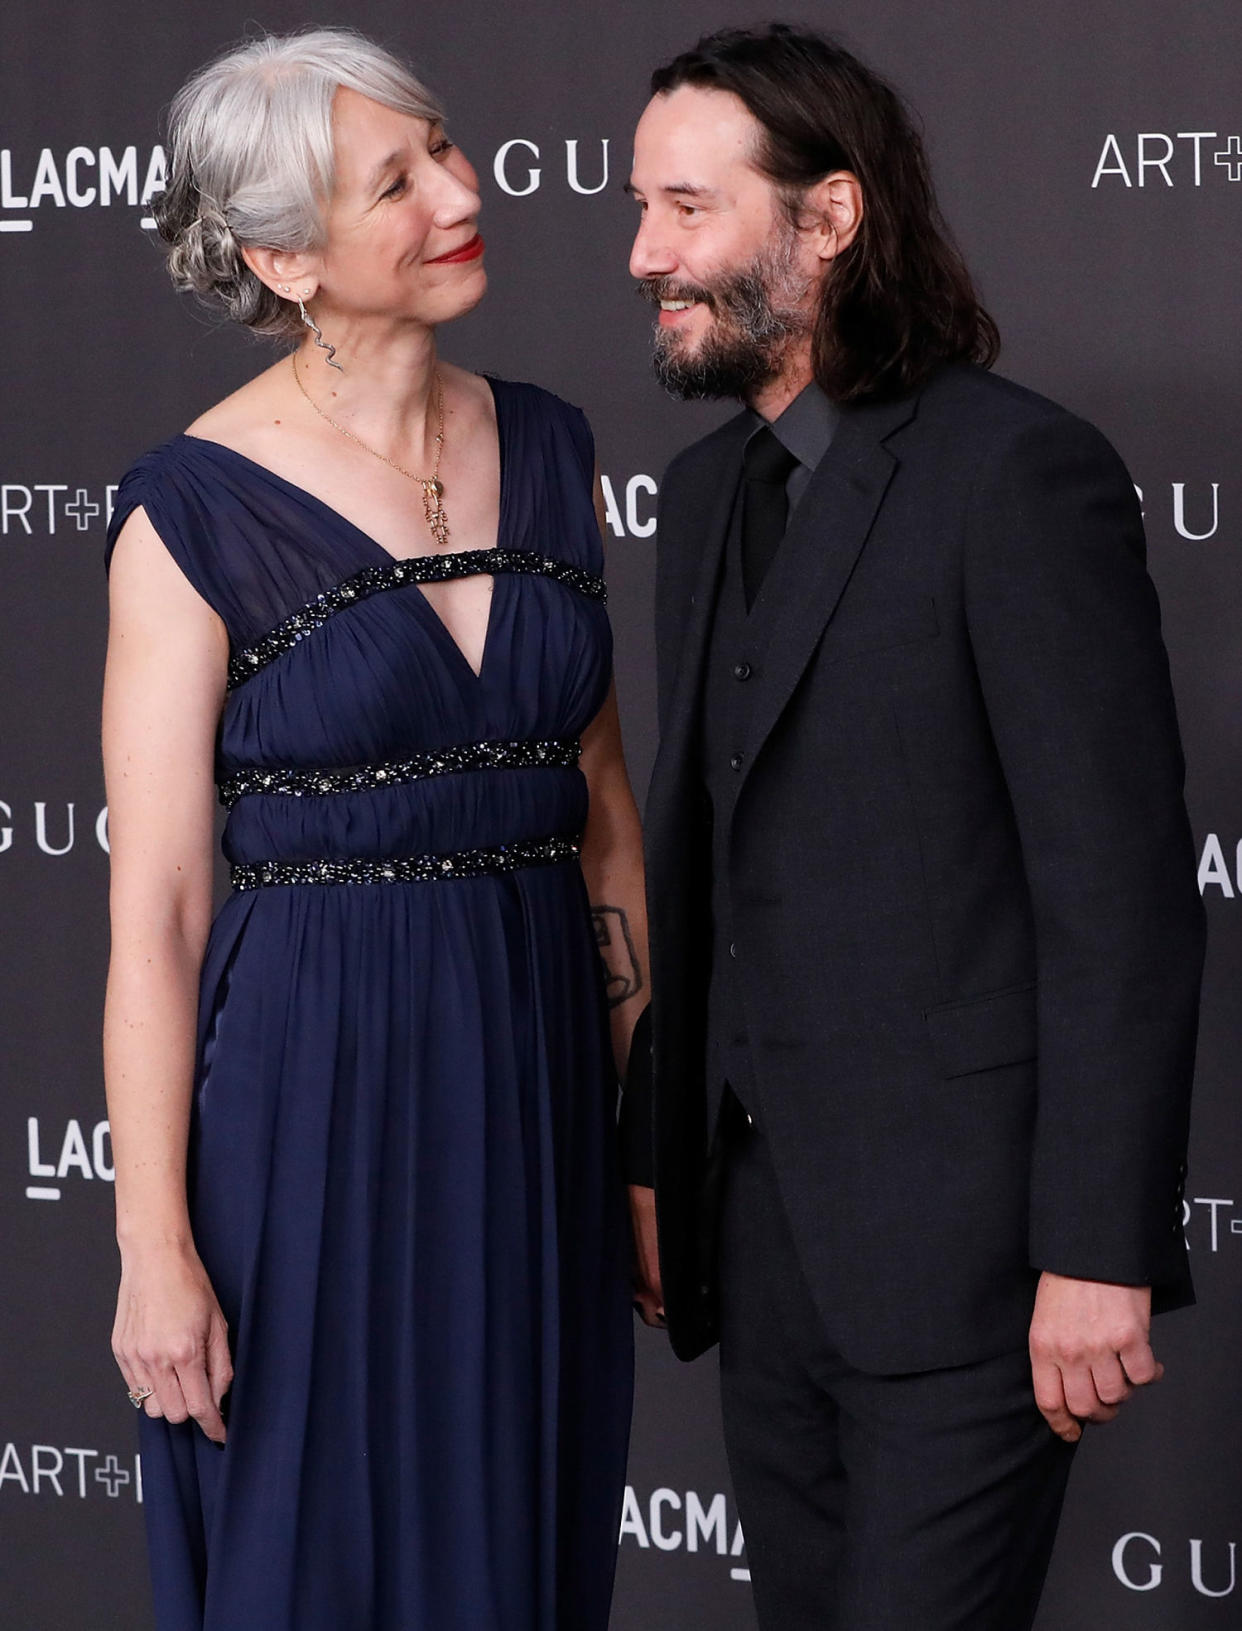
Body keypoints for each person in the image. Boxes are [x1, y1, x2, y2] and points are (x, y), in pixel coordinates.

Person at [621, 23, 1204, 1631]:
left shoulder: (1013, 476)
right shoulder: (695, 497)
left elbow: (1119, 893)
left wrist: (1097, 1250)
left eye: (686, 209)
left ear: (830, 217)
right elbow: (715, 864)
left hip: (974, 1262)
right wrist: (661, 1162)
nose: (642, 254)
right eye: (640, 209)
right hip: (766, 1250)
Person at [102, 28, 641, 1631]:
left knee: (519, 1537)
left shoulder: (550, 446)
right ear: (284, 256)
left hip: (536, 1085)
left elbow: (603, 821)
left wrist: (646, 1133)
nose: (458, 195)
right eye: (392, 182)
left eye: (447, 152)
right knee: (318, 1550)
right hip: (306, 1102)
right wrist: (151, 1247)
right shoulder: (189, 508)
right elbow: (160, 918)